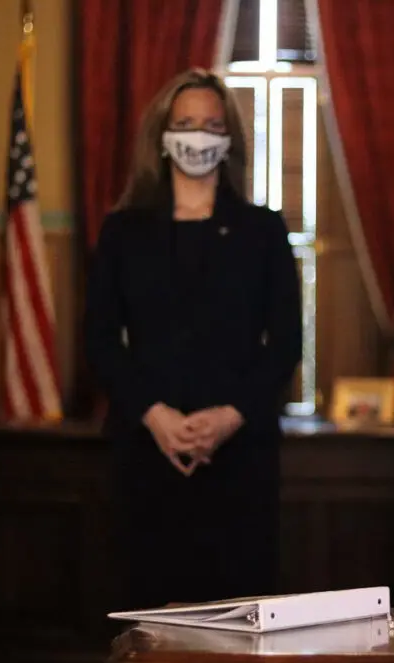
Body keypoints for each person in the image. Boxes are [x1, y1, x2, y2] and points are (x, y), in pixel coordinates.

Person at [84, 68, 302, 609]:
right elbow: (101, 340)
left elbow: (285, 344)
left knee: (237, 608)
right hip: (146, 450)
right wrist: (155, 415)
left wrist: (230, 416)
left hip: (240, 456)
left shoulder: (263, 230)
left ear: (228, 139)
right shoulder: (124, 231)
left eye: (210, 124)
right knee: (149, 610)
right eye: (185, 123)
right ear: (162, 135)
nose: (198, 135)